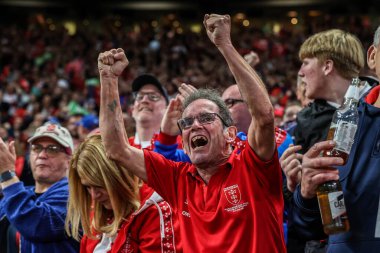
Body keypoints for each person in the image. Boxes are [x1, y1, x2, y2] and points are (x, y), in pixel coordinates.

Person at [97, 13, 285, 252]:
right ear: (183, 144)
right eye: (186, 123)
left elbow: (264, 116)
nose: (195, 125)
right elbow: (116, 149)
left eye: (206, 118)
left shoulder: (252, 166)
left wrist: (225, 45)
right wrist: (109, 79)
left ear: (230, 134)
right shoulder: (177, 180)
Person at [290, 25, 380, 252]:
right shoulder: (344, 121)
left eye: (306, 63)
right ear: (373, 57)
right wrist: (306, 193)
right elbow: (325, 226)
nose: (300, 72)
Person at [65, 134, 176, 252]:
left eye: (99, 186)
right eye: (87, 187)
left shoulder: (154, 211)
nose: (94, 195)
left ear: (120, 177)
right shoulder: (98, 211)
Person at [0, 123, 79, 252]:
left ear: (69, 161)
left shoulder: (74, 195)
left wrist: (7, 175)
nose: (42, 155)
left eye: (52, 149)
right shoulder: (22, 192)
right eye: (36, 148)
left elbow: (36, 223)